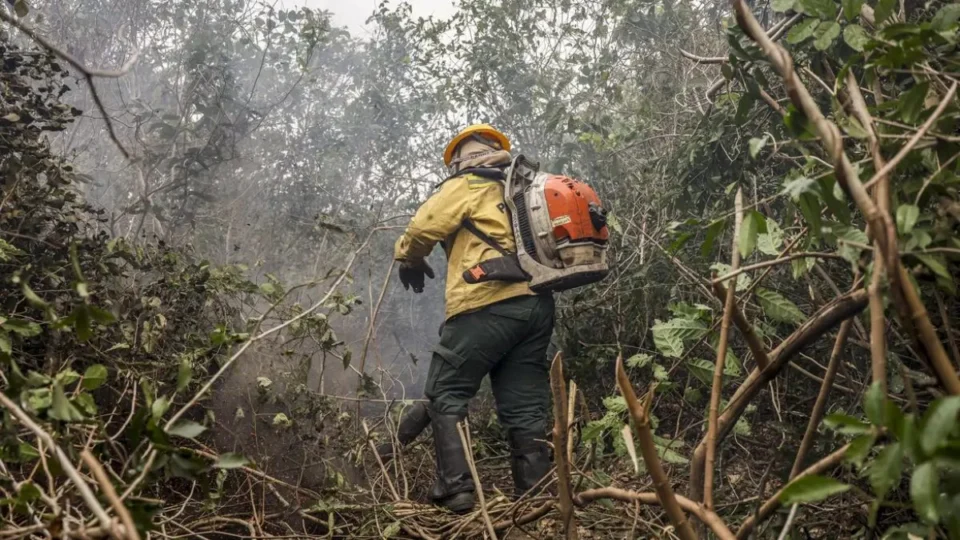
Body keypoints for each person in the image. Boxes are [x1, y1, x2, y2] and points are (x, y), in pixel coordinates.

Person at [393, 124, 555, 514]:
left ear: (460, 161)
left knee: (446, 392)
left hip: (486, 300)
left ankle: (456, 490)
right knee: (524, 405)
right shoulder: (521, 189)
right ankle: (537, 497)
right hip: (536, 306)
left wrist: (409, 259)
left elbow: (422, 228)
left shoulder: (467, 184)